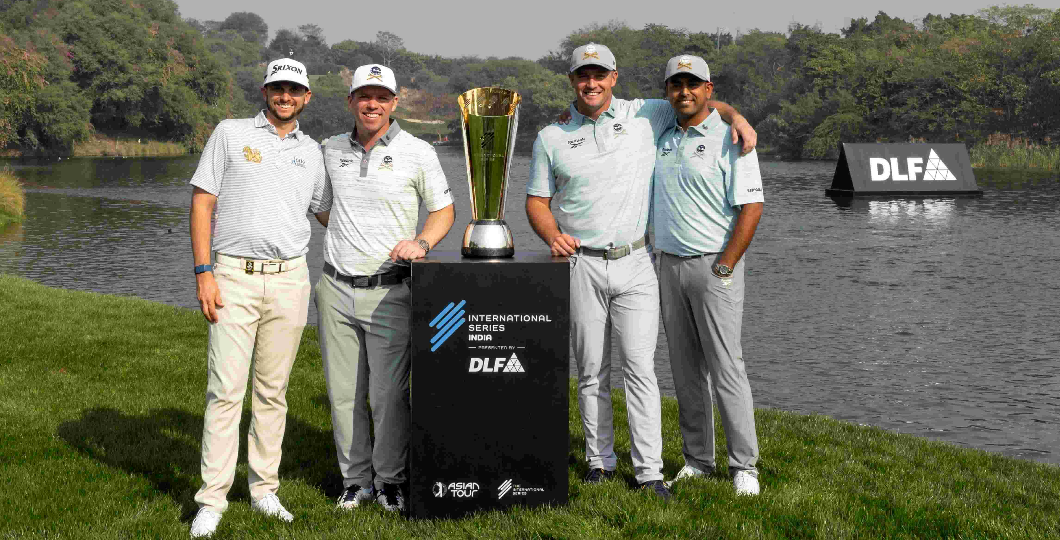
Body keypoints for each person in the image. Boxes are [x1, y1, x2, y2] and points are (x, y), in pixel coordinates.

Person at [525, 43, 756, 500]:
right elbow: (536, 200)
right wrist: (552, 235)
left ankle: (649, 470)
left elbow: (701, 102)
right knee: (591, 369)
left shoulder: (645, 114)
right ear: (572, 80)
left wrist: (739, 118)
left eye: (600, 74)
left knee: (641, 369)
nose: (591, 83)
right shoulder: (551, 136)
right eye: (583, 75)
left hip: (636, 262)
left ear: (614, 77)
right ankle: (599, 461)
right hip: (581, 263)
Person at [188, 58, 328, 538]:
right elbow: (202, 202)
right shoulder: (229, 133)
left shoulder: (313, 152)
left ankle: (264, 489)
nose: (286, 96)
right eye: (278, 87)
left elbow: (326, 212)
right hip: (232, 276)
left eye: (295, 89)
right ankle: (212, 499)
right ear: (265, 91)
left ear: (307, 97)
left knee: (272, 393)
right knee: (225, 391)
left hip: (290, 280)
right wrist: (204, 272)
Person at [315, 64, 455, 512]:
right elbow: (323, 208)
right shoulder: (330, 149)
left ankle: (390, 480)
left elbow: (443, 211)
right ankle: (355, 481)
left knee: (389, 396)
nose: (371, 104)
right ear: (351, 101)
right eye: (363, 96)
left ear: (394, 102)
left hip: (391, 290)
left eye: (380, 97)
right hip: (335, 288)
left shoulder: (418, 151)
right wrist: (349, 232)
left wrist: (422, 243)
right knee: (344, 395)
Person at [654, 55, 764, 496]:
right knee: (684, 370)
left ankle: (744, 466)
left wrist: (726, 264)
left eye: (693, 84)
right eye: (676, 84)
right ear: (668, 91)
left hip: (714, 265)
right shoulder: (662, 133)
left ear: (708, 89)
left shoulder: (731, 138)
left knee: (726, 367)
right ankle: (697, 459)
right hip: (668, 264)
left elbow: (752, 207)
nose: (684, 92)